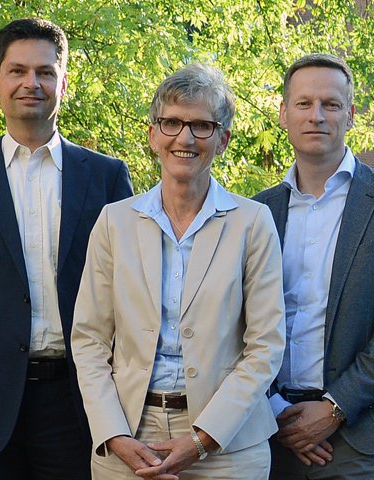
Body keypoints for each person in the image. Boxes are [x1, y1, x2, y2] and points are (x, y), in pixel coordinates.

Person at [0, 17, 133, 479]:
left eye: (45, 72)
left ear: (64, 82)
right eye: (17, 71)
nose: (31, 83)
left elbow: (133, 297)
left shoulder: (106, 177)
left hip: (81, 403)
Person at [71, 63, 286, 480]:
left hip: (228, 444)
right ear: (153, 134)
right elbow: (89, 340)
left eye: (202, 126)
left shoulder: (252, 223)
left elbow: (265, 348)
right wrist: (113, 434)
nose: (184, 138)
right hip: (129, 436)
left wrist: (203, 439)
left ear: (223, 139)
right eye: (171, 122)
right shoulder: (115, 222)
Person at [253, 53, 374, 478]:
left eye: (331, 105)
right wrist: (276, 409)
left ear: (349, 115)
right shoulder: (257, 212)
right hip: (271, 433)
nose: (317, 115)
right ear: (283, 113)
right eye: (304, 103)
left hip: (361, 439)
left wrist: (335, 409)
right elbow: (237, 322)